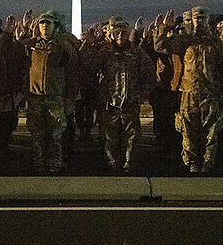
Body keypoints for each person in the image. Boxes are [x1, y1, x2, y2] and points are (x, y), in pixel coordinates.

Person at [154, 6, 223, 173]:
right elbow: (159, 46)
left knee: (210, 132)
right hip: (189, 93)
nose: (200, 22)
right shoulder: (185, 40)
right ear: (193, 21)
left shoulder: (216, 43)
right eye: (197, 19)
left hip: (210, 94)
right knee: (188, 131)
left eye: (203, 19)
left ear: (208, 20)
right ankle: (192, 164)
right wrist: (165, 27)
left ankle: (207, 164)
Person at [88, 16, 153, 172]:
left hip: (130, 102)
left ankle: (128, 163)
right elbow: (90, 67)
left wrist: (141, 96)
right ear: (111, 34)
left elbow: (149, 75)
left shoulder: (137, 53)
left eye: (123, 32)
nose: (120, 36)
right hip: (110, 103)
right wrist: (89, 44)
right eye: (117, 32)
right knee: (109, 136)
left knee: (131, 136)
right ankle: (111, 163)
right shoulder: (104, 52)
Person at [21, 10, 78, 173]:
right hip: (35, 97)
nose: (45, 26)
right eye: (42, 23)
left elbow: (72, 74)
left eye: (48, 23)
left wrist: (70, 98)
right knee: (37, 134)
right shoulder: (30, 46)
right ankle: (38, 163)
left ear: (55, 26)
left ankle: (55, 163)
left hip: (55, 98)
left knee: (55, 135)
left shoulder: (64, 48)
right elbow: (23, 69)